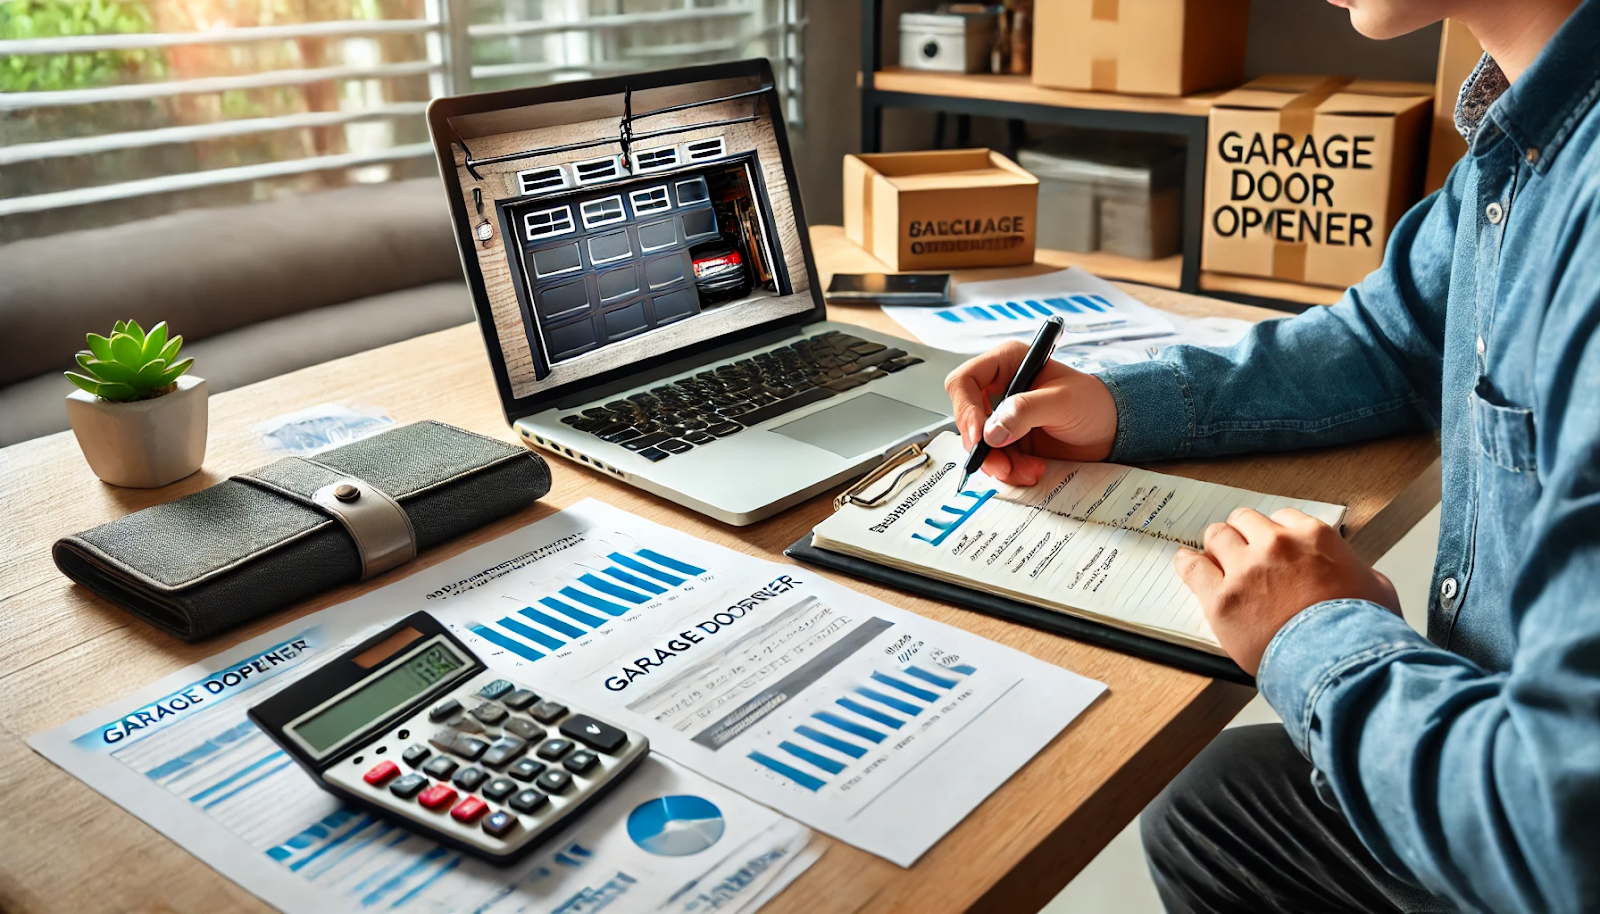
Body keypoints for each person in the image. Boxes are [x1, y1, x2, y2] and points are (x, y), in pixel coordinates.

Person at [944, 1, 1600, 911]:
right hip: (1507, 746)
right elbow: (1390, 339)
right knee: (1207, 804)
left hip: (1531, 827)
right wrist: (1119, 404)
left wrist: (1318, 632)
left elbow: (1557, 828)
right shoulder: (1533, 130)